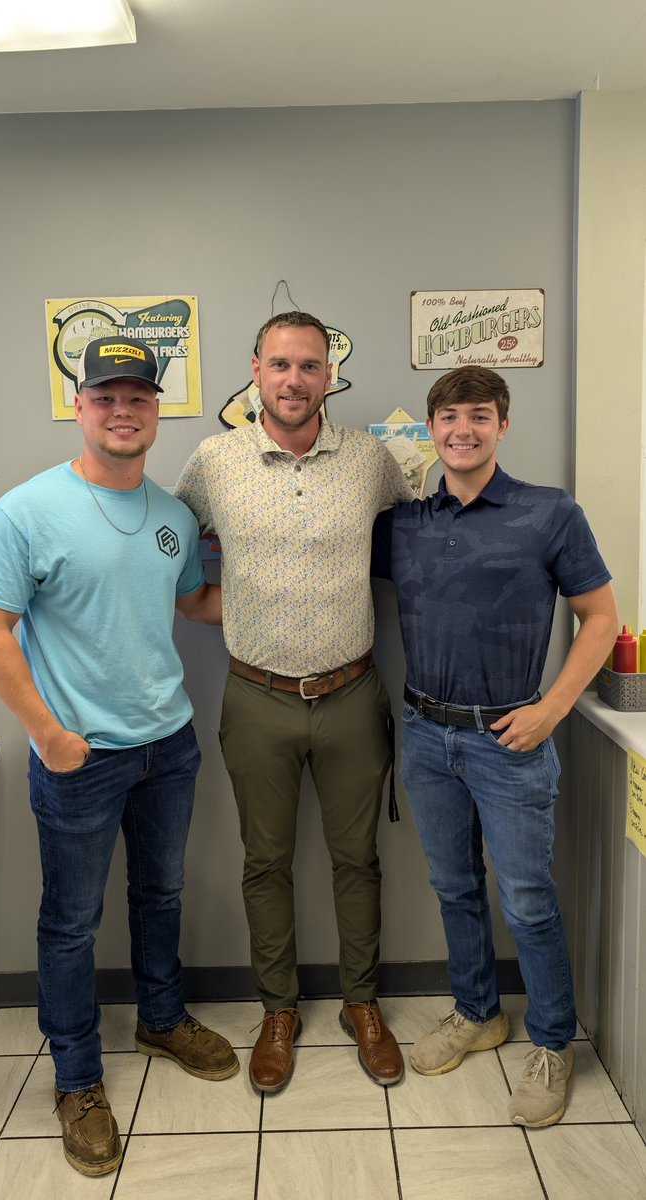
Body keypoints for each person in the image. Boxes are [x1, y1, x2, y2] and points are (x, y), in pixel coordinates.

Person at [0, 336, 238, 1178]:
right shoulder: (25, 511)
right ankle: (78, 1079)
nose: (123, 411)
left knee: (161, 894)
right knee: (71, 923)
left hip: (169, 745)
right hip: (77, 759)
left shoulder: (173, 516)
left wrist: (295, 581)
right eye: (105, 397)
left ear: (157, 410)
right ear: (79, 407)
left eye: (138, 398)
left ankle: (160, 1019)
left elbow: (195, 603)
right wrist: (49, 735)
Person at [372, 365, 618, 1129]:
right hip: (424, 734)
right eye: (449, 417)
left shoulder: (549, 512)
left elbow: (600, 618)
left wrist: (552, 708)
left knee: (528, 900)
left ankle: (550, 1042)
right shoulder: (403, 524)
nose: (463, 430)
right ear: (430, 429)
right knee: (453, 887)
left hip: (510, 738)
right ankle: (478, 1012)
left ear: (502, 426)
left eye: (479, 415)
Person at [176, 311, 415, 1094]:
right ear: (255, 371)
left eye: (309, 366)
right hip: (257, 696)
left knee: (357, 860)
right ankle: (277, 1011)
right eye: (279, 364)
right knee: (264, 862)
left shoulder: (370, 461)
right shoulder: (215, 461)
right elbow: (166, 539)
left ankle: (360, 1004)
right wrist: (216, 603)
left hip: (351, 694)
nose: (293, 380)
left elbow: (417, 530)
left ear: (328, 377)